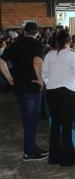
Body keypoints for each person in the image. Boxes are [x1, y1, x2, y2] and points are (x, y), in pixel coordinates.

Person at [0, 22, 48, 160]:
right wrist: (40, 79)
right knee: (31, 121)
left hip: (19, 88)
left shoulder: (16, 44)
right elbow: (36, 63)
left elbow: (1, 62)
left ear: (24, 32)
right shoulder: (37, 45)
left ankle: (32, 147)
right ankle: (29, 152)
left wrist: (9, 79)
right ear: (37, 33)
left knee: (29, 120)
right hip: (32, 88)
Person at [42, 30, 75, 166]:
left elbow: (44, 73)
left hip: (52, 93)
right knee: (66, 126)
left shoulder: (49, 55)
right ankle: (67, 159)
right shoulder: (72, 55)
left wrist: (50, 83)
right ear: (68, 41)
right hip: (67, 93)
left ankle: (54, 158)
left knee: (55, 124)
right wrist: (73, 81)